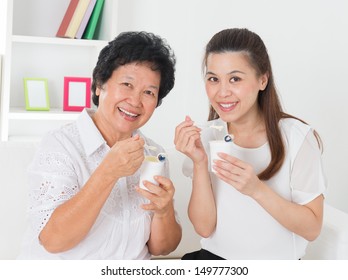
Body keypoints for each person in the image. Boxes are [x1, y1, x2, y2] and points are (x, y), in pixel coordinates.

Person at [18, 31, 181, 259]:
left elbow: (162, 248)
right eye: (127, 84)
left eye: (149, 92)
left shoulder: (154, 155)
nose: (135, 101)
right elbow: (53, 240)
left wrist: (164, 211)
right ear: (99, 84)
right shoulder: (60, 146)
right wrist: (108, 172)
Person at [174, 28, 327, 260]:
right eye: (213, 79)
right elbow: (204, 228)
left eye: (235, 79)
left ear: (262, 80)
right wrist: (199, 162)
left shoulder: (297, 138)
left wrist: (256, 189)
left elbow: (312, 228)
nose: (222, 92)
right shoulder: (206, 136)